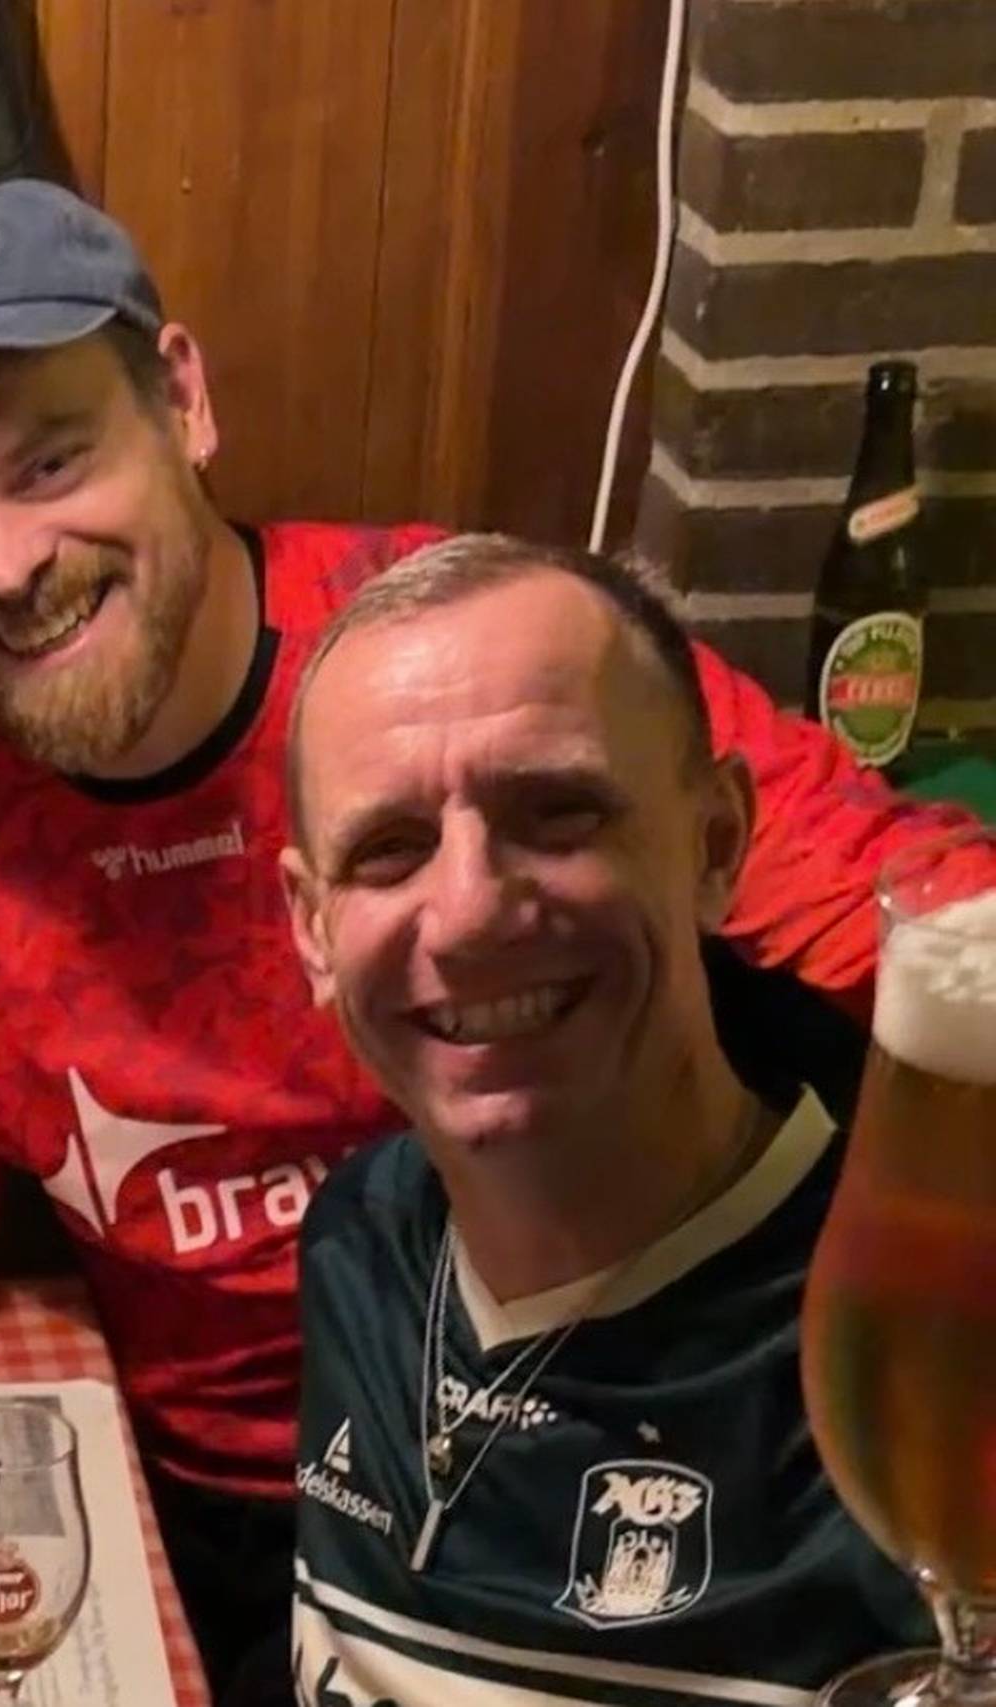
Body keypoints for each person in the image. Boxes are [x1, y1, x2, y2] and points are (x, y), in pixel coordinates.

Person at [0, 179, 970, 1701]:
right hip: (184, 1508)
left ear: (183, 400)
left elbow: (920, 906)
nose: (9, 562)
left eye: (50, 462)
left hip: (582, 1468)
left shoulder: (447, 671)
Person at [278, 535, 933, 1702]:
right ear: (310, 928)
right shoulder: (354, 1242)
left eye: (557, 813)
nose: (468, 913)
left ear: (715, 845)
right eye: (388, 850)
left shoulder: (898, 1345)